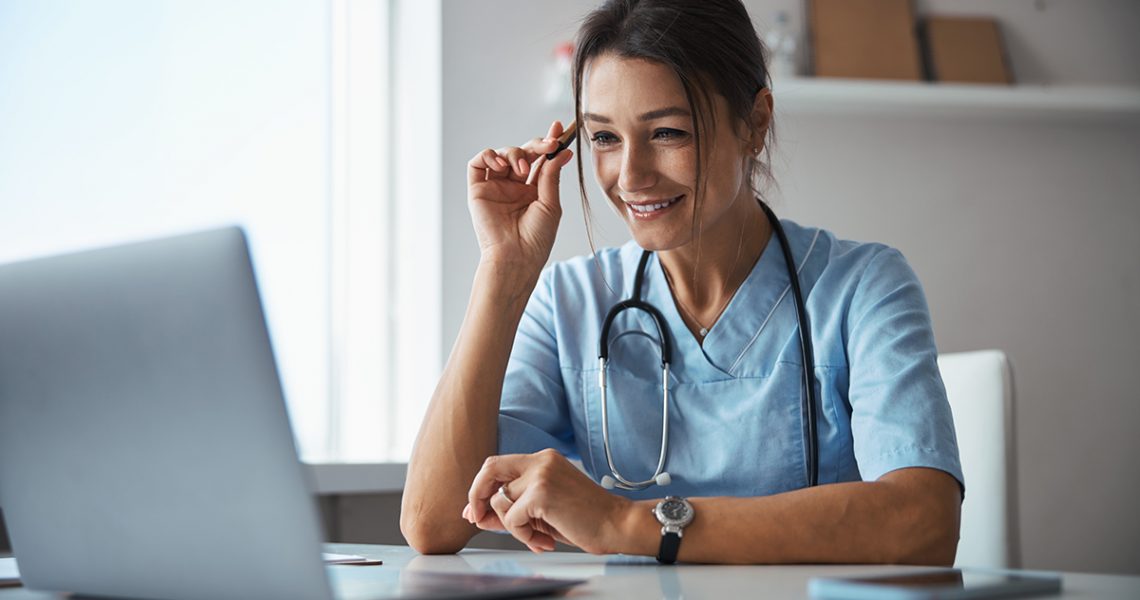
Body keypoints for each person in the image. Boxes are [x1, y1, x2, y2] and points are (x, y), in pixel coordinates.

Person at [401, 0, 964, 565]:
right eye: (603, 138)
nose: (630, 176)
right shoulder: (570, 302)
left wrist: (623, 520)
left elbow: (924, 522)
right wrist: (504, 271)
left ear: (755, 124)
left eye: (668, 132)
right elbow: (432, 522)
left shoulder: (864, 287)